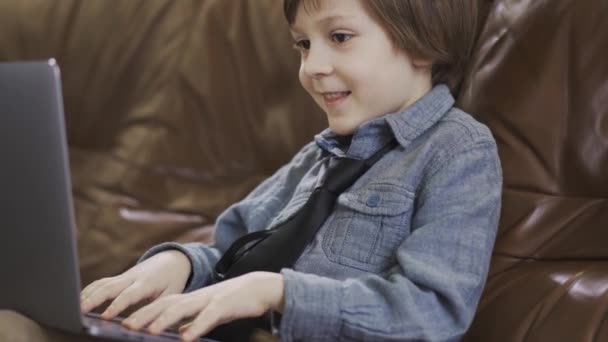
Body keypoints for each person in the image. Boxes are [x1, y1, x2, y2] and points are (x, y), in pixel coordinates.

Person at [1, 0, 501, 341]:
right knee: (13, 324)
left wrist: (277, 291)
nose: (312, 66)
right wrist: (178, 262)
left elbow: (433, 315)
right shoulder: (317, 157)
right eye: (303, 45)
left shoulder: (457, 151)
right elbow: (227, 252)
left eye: (339, 37)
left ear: (424, 41)